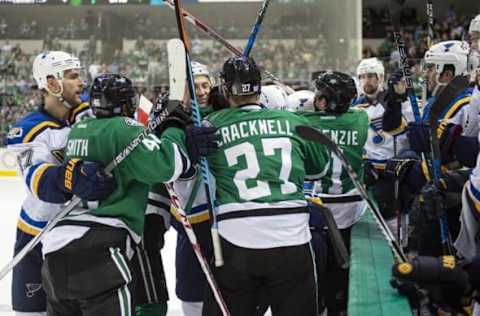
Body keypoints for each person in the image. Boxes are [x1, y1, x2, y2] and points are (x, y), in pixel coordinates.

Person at [38, 73, 218, 315]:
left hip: (56, 248)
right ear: (127, 102)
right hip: (102, 245)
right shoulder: (125, 129)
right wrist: (174, 126)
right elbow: (167, 166)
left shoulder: (79, 129)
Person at [201, 56, 330, 316]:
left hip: (236, 237)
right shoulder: (294, 122)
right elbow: (320, 168)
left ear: (225, 89)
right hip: (291, 236)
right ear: (259, 88)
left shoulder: (210, 125)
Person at [6, 51, 101, 316]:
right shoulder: (27, 129)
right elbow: (40, 183)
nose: (81, 82)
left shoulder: (90, 116)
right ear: (51, 83)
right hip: (36, 235)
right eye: (73, 77)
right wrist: (72, 177)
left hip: (80, 233)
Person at [303, 70, 369, 315]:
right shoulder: (360, 119)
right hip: (353, 208)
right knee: (343, 277)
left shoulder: (307, 122)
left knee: (319, 274)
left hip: (320, 209)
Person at [353, 58, 415, 235]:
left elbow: (411, 129)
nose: (367, 80)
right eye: (362, 76)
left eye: (371, 76)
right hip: (369, 170)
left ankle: (401, 246)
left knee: (396, 219)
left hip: (395, 169)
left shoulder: (398, 101)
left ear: (381, 78)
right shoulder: (356, 107)